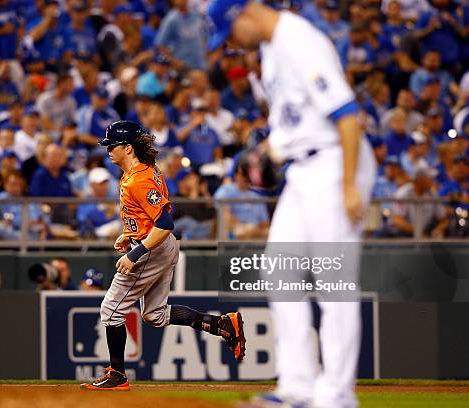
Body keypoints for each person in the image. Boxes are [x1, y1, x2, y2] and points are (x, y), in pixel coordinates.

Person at [208, 1, 376, 407]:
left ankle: (336, 396)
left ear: (243, 14)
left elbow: (347, 115)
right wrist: (270, 147)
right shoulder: (269, 48)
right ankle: (298, 388)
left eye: (230, 34)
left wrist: (349, 185)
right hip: (302, 169)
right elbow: (296, 119)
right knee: (278, 270)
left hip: (335, 161)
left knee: (333, 282)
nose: (232, 44)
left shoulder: (300, 40)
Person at [81, 120, 246, 391]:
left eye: (112, 145)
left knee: (110, 310)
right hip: (160, 244)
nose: (108, 150)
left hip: (152, 248)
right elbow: (147, 216)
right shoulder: (140, 171)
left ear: (128, 148)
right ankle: (223, 324)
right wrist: (129, 233)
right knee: (154, 315)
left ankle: (117, 374)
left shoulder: (140, 179)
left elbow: (165, 223)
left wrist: (136, 252)